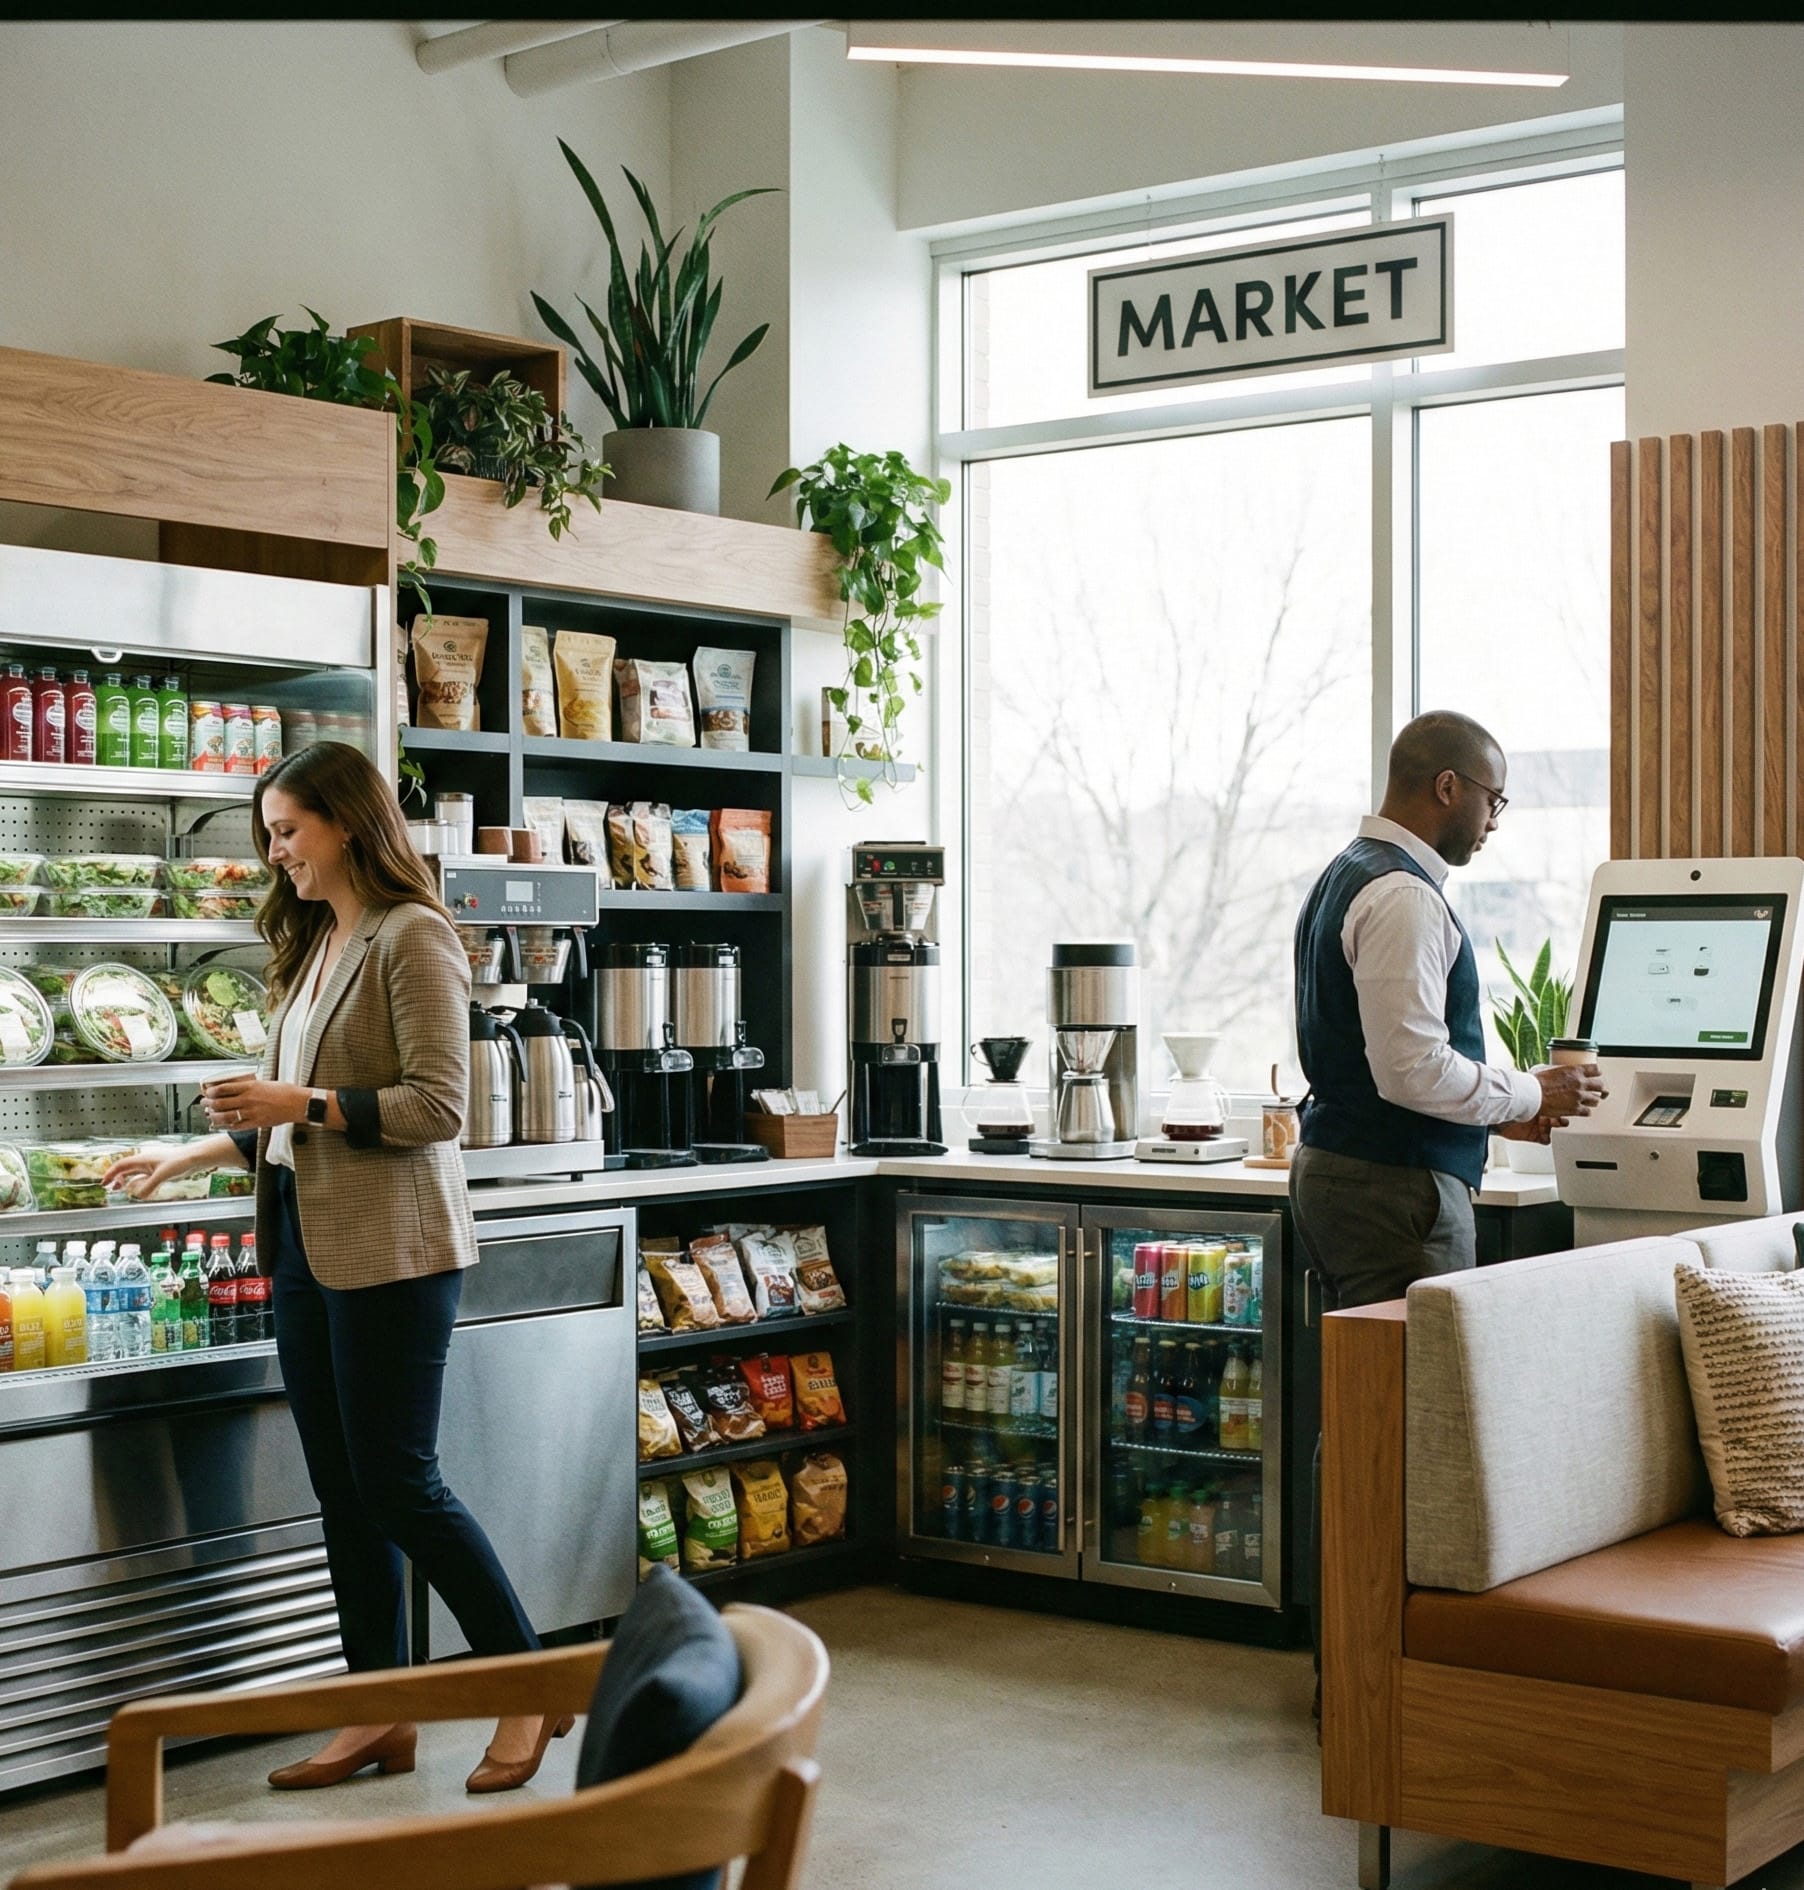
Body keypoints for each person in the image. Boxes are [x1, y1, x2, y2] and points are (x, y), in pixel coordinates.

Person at [105, 742, 568, 1795]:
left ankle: (529, 1683)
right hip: (306, 1248)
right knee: (344, 1497)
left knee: (402, 1488)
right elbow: (287, 1112)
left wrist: (297, 1106)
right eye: (268, 835)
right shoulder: (318, 942)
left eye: (288, 831)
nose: (276, 855)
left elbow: (436, 1110)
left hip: (395, 1255)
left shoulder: (414, 939)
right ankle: (380, 1714)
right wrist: (187, 1154)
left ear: (348, 824)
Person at [1291, 710, 1607, 1701]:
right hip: (1394, 1193)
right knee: (1397, 1425)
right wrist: (1529, 1097)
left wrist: (1491, 1119)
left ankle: (1348, 1661)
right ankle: (1372, 1678)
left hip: (1348, 1171)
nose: (1496, 820)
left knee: (1360, 1417)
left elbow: (1390, 1065)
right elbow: (1411, 1066)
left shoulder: (1346, 873)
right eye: (1493, 797)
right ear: (1444, 788)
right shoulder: (1404, 896)